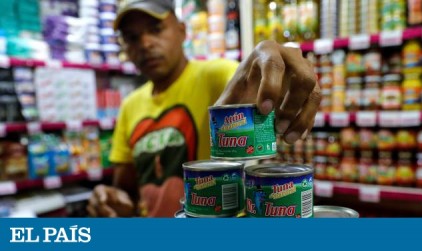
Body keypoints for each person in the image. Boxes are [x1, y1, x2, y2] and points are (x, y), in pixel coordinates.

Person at [87, 0, 320, 217]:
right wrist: (109, 198)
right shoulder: (130, 105)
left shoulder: (215, 76)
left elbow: (247, 80)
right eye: (132, 37)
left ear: (182, 31)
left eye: (156, 29)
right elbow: (125, 188)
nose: (145, 44)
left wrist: (278, 58)